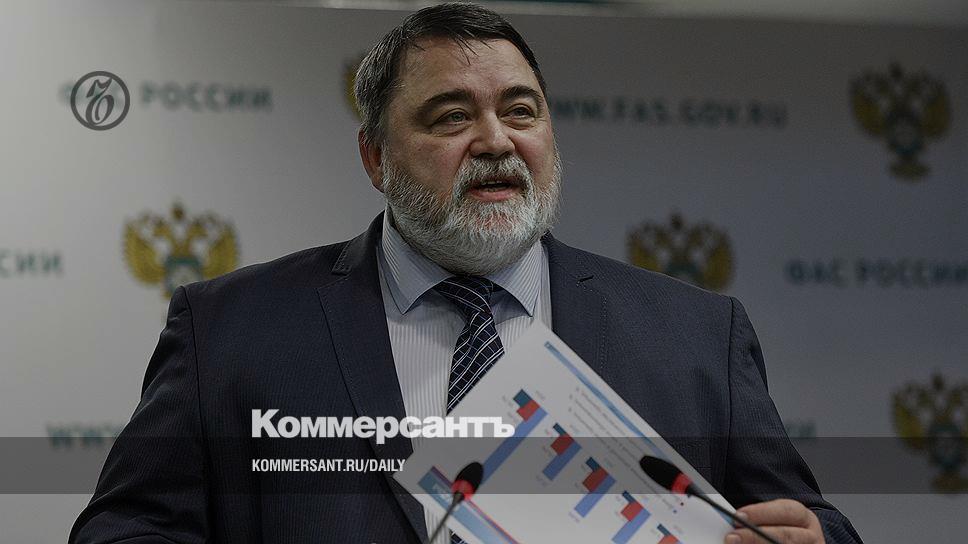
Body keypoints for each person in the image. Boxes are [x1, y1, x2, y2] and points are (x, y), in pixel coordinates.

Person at [71, 3, 862, 543]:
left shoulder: (694, 336)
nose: (495, 140)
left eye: (520, 111)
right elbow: (123, 530)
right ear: (376, 158)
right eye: (452, 116)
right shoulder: (231, 330)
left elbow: (808, 521)